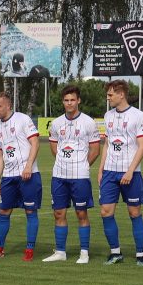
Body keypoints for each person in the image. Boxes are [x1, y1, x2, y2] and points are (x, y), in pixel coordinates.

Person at [44, 85, 101, 264]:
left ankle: (84, 253)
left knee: (81, 214)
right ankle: (60, 252)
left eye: (72, 100)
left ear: (78, 101)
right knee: (58, 213)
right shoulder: (56, 123)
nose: (69, 103)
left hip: (80, 177)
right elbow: (54, 147)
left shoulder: (89, 122)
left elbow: (95, 150)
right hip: (59, 175)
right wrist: (64, 162)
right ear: (63, 102)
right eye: (66, 100)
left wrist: (82, 165)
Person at [99, 79, 143, 266]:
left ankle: (140, 254)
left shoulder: (138, 115)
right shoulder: (108, 116)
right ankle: (115, 253)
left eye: (111, 94)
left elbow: (142, 146)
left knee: (134, 212)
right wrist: (101, 169)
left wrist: (130, 171)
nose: (108, 98)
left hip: (131, 173)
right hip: (110, 172)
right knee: (105, 212)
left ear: (121, 94)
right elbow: (107, 144)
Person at [0, 92, 41, 260]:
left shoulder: (23, 119)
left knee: (30, 211)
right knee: (3, 211)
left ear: (8, 106)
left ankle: (29, 250)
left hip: (28, 174)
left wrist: (28, 166)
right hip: (8, 177)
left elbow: (35, 143)